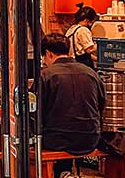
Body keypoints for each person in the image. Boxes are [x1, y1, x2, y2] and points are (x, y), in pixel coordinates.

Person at [38, 31, 105, 160]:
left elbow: (36, 110)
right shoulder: (91, 73)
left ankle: (62, 176)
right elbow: (102, 104)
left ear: (48, 53)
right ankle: (67, 176)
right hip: (91, 138)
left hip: (56, 139)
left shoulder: (45, 75)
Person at [66, 4, 99, 68]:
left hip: (72, 62)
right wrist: (102, 45)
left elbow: (82, 52)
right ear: (87, 20)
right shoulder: (83, 30)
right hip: (82, 64)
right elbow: (89, 49)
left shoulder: (72, 29)